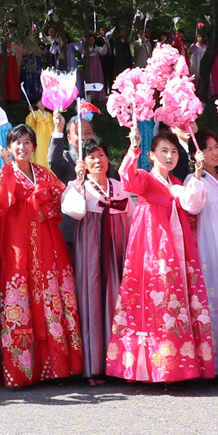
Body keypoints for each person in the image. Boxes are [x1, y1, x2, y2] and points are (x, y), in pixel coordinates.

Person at [107, 129, 214, 383]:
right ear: (151, 155)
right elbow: (128, 180)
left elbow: (194, 205)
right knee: (158, 299)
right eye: (163, 151)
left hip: (178, 246)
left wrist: (198, 172)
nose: (169, 156)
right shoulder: (145, 177)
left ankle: (179, 364)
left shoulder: (177, 183)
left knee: (177, 299)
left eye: (174, 151)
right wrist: (133, 149)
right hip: (152, 246)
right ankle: (155, 366)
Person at [0, 125, 81, 387]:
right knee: (22, 299)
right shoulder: (5, 173)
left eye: (27, 142)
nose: (22, 147)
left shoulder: (43, 173)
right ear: (9, 147)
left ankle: (58, 366)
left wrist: (46, 210)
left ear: (34, 147)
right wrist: (7, 169)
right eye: (17, 143)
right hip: (18, 247)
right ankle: (23, 369)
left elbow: (61, 198)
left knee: (51, 298)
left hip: (48, 245)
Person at [60, 138, 125, 384]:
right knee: (92, 297)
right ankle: (95, 364)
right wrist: (77, 182)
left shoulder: (118, 186)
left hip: (117, 244)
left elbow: (128, 214)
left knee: (117, 297)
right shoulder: (79, 186)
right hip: (91, 245)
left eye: (101, 155)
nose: (97, 161)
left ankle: (119, 362)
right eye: (91, 157)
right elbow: (74, 211)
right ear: (84, 163)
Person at [186, 135, 218, 377]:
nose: (215, 153)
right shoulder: (194, 180)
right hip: (208, 245)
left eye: (217, 147)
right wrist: (196, 172)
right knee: (216, 292)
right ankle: (215, 359)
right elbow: (192, 206)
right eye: (208, 149)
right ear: (198, 153)